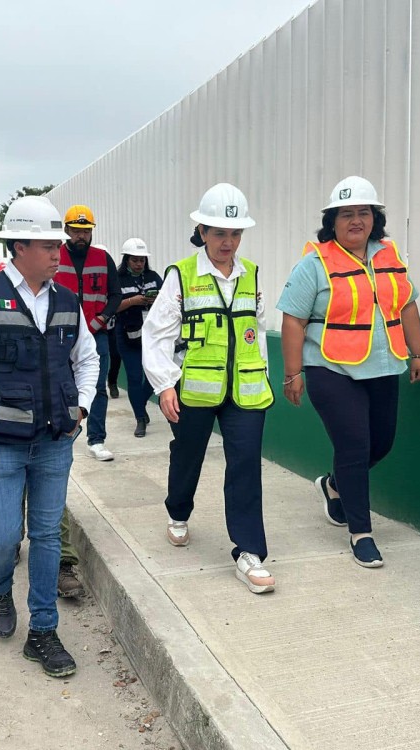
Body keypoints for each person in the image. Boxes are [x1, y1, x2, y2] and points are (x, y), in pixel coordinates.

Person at [0, 195, 98, 678]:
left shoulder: (67, 302)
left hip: (54, 441)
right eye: (48, 244)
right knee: (2, 537)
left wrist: (84, 406)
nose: (58, 252)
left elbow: (88, 359)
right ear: (18, 246)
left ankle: (43, 632)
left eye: (58, 244)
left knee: (47, 535)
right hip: (0, 444)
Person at [277, 176, 420, 568]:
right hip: (330, 368)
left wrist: (418, 353)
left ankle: (333, 485)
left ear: (374, 219)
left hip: (382, 365)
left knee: (382, 444)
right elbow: (293, 320)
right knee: (355, 447)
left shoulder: (389, 255)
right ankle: (361, 532)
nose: (356, 221)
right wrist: (292, 374)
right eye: (347, 214)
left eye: (364, 213)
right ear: (333, 221)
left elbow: (406, 305)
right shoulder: (315, 263)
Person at [142, 183, 276, 595]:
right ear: (202, 231)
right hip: (194, 390)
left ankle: (249, 551)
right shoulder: (181, 276)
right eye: (219, 233)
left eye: (235, 234)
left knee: (245, 464)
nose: (228, 242)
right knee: (188, 456)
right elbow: (156, 335)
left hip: (245, 393)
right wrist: (165, 385)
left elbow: (259, 331)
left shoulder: (251, 275)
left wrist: (265, 375)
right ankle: (178, 512)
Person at [53, 204, 121, 462]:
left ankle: (97, 439)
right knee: (60, 384)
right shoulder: (55, 256)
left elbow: (115, 295)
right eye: (76, 230)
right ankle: (63, 432)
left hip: (97, 334)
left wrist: (102, 317)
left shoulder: (103, 258)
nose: (81, 235)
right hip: (60, 335)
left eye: (86, 230)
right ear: (67, 230)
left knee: (97, 386)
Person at [114, 238, 163, 437]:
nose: (139, 263)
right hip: (127, 333)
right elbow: (113, 307)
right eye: (135, 260)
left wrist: (155, 299)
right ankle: (140, 418)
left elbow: (168, 299)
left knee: (155, 376)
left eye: (142, 260)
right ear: (126, 260)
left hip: (152, 334)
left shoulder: (153, 276)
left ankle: (139, 403)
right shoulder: (117, 279)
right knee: (134, 377)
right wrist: (134, 301)